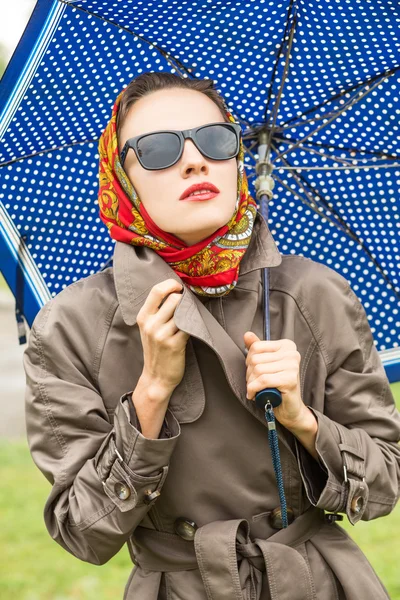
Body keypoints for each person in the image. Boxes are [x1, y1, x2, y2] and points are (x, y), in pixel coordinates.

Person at [23, 72, 400, 600]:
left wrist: (301, 418)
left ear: (236, 160)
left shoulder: (317, 294)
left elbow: (385, 481)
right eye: (158, 149)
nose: (196, 160)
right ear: (121, 177)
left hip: (319, 583)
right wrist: (151, 393)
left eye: (217, 139)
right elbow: (82, 529)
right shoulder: (71, 326)